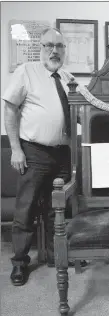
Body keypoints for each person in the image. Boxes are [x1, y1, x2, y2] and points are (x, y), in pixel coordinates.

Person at [2, 27, 74, 286]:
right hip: (34, 151)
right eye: (48, 45)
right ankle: (20, 262)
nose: (54, 51)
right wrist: (16, 149)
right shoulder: (26, 71)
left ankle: (56, 254)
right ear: (40, 47)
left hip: (63, 154)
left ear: (65, 50)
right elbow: (9, 109)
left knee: (59, 207)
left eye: (59, 46)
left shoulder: (68, 78)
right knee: (27, 208)